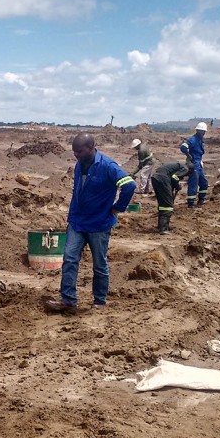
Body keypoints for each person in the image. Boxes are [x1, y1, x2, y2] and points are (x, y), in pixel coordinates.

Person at [44, 134, 136, 313]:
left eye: (79, 151)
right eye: (74, 152)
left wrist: (118, 208)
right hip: (78, 222)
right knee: (69, 259)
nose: (76, 155)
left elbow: (130, 185)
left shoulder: (108, 166)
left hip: (99, 223)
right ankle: (68, 299)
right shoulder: (80, 165)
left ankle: (99, 301)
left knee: (99, 263)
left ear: (92, 147)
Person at [152, 161, 189, 235]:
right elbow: (174, 178)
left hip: (155, 178)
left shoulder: (175, 166)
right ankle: (164, 229)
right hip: (163, 179)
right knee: (167, 205)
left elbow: (172, 180)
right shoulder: (185, 168)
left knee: (162, 203)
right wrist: (177, 186)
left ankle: (160, 226)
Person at [179, 121, 210, 208]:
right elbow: (183, 147)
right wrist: (189, 156)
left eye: (204, 131)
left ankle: (201, 200)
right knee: (193, 183)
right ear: (197, 131)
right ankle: (191, 203)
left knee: (204, 183)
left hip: (198, 163)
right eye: (201, 131)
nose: (203, 133)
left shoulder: (200, 140)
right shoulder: (193, 139)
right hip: (193, 164)